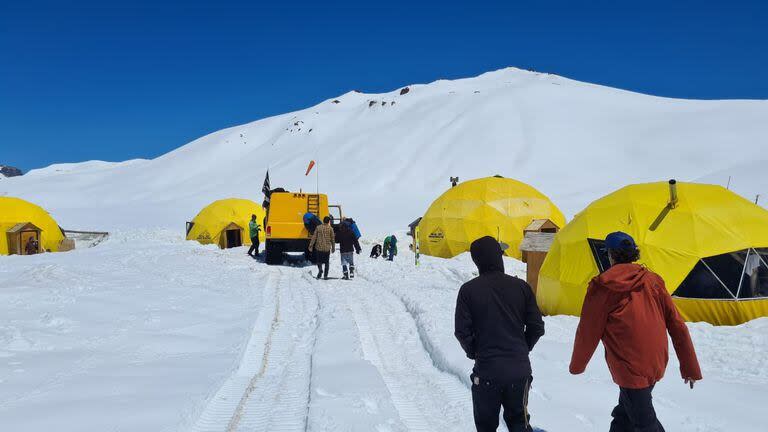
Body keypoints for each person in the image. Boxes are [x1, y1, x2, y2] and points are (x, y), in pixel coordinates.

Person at [570, 232, 702, 432]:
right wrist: (690, 367)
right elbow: (676, 324)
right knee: (625, 414)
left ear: (611, 256)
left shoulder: (603, 286)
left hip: (628, 366)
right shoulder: (653, 280)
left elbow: (588, 330)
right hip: (655, 362)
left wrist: (578, 365)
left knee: (644, 423)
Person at [454, 236, 545, 432]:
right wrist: (522, 348)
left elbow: (462, 331)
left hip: (486, 372)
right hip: (519, 372)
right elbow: (537, 326)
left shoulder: (468, 291)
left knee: (486, 427)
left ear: (476, 260)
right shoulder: (521, 287)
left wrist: (475, 352)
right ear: (499, 256)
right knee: (519, 424)